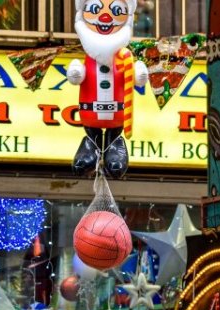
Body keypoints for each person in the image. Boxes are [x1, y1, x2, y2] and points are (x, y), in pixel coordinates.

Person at [67, 0, 149, 178]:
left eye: (116, 11)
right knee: (91, 141)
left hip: (117, 116)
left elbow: (136, 78)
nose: (105, 17)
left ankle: (115, 146)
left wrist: (139, 74)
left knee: (115, 152)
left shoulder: (125, 58)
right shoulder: (89, 60)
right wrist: (76, 72)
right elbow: (78, 76)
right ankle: (90, 146)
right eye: (95, 9)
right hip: (91, 115)